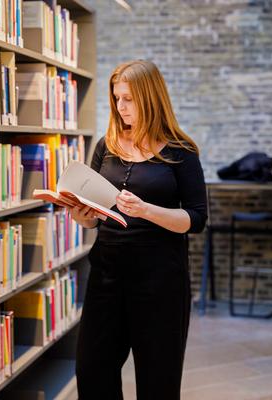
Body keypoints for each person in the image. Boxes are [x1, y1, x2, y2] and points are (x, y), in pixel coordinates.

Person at [69, 60, 208, 399]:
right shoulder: (106, 146)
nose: (121, 107)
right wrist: (81, 215)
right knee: (92, 371)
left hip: (160, 283)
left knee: (158, 382)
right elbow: (94, 216)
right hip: (106, 277)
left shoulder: (181, 152)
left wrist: (146, 210)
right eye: (117, 98)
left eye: (128, 98)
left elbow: (196, 218)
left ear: (150, 97)